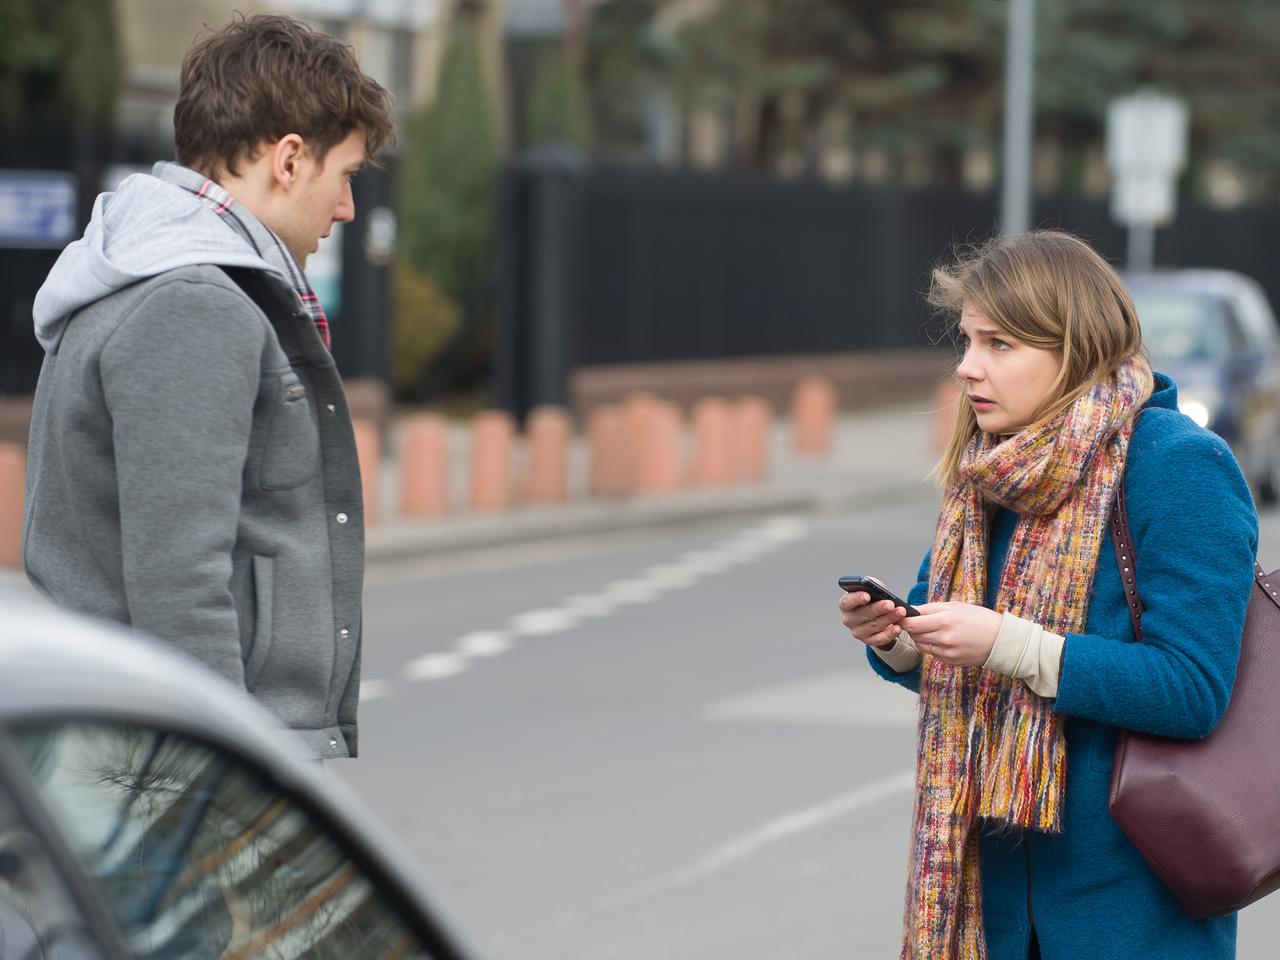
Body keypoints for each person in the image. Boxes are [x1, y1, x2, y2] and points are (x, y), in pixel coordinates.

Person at [839, 230, 1256, 960]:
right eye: (966, 342)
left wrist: (1008, 645)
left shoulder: (1178, 465)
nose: (968, 368)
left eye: (999, 346)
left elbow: (1192, 689)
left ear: (1074, 346)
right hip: (991, 908)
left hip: (1130, 909)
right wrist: (899, 640)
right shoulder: (990, 473)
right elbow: (945, 629)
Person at [23, 14, 395, 760]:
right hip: (179, 765)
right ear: (289, 160)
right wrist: (228, 780)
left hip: (137, 742)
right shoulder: (192, 305)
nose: (348, 208)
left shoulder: (160, 279)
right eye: (346, 175)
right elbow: (180, 579)